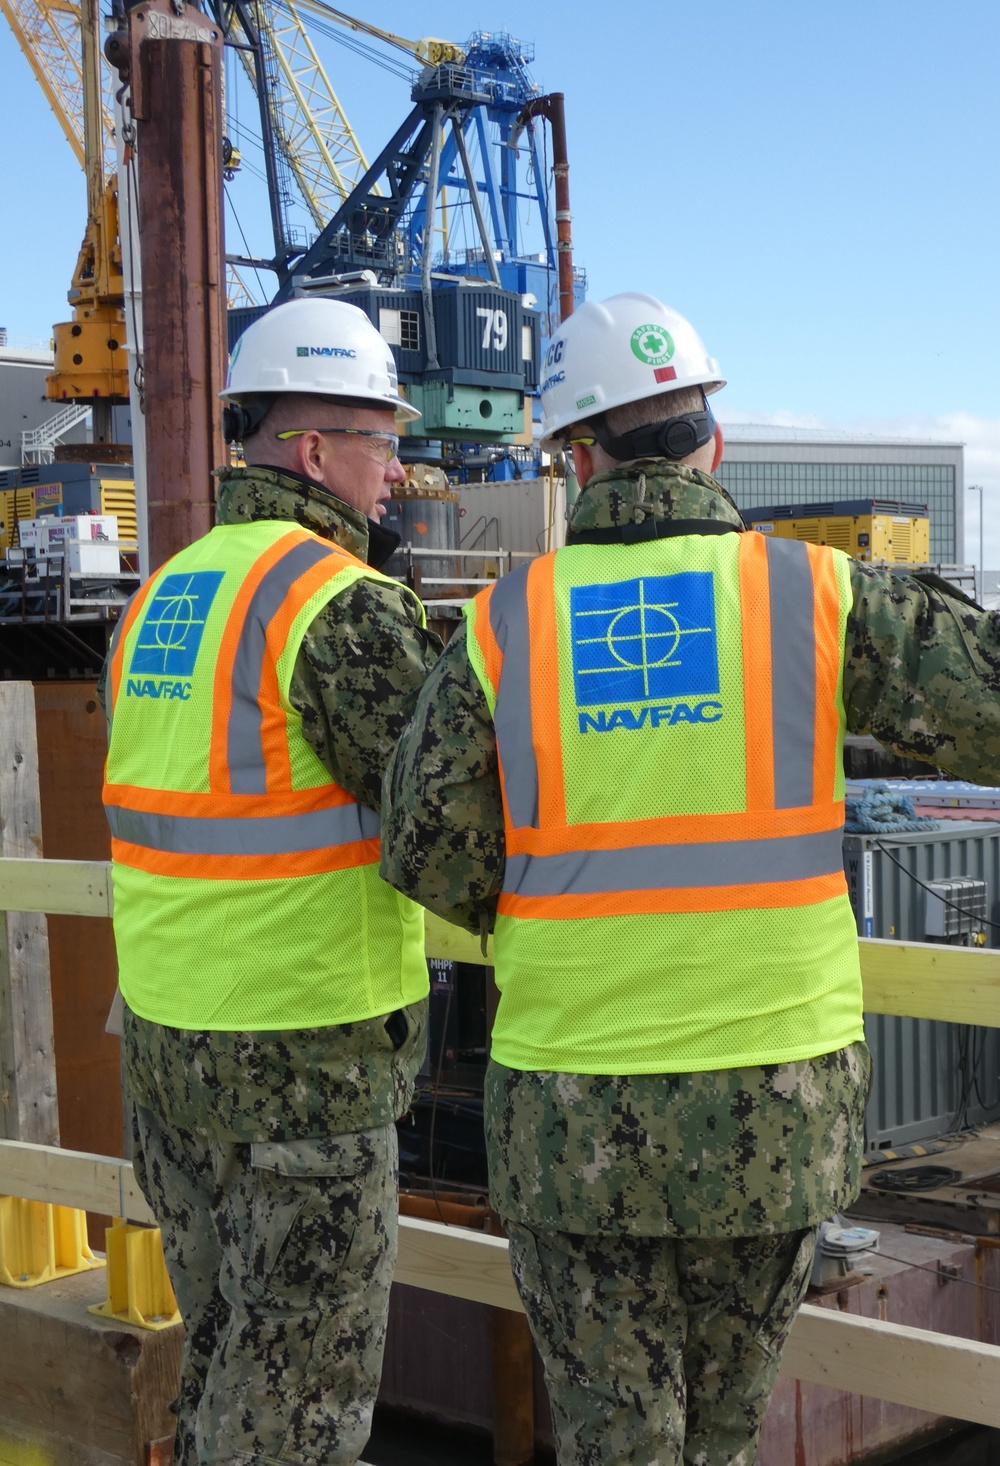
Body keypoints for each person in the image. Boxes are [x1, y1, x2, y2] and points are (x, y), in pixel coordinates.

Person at [380, 292, 1000, 1466]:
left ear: (576, 455)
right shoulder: (816, 594)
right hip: (772, 1104)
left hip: (571, 1106)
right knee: (720, 1433)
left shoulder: (504, 625)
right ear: (710, 438)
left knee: (618, 1440)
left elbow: (424, 842)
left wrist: (549, 899)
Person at [100, 296, 441, 1466]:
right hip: (305, 1059)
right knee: (296, 1409)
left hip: (167, 1045)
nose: (395, 471)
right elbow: (447, 822)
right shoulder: (338, 603)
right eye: (383, 439)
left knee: (226, 1360)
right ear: (313, 448)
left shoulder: (161, 594)